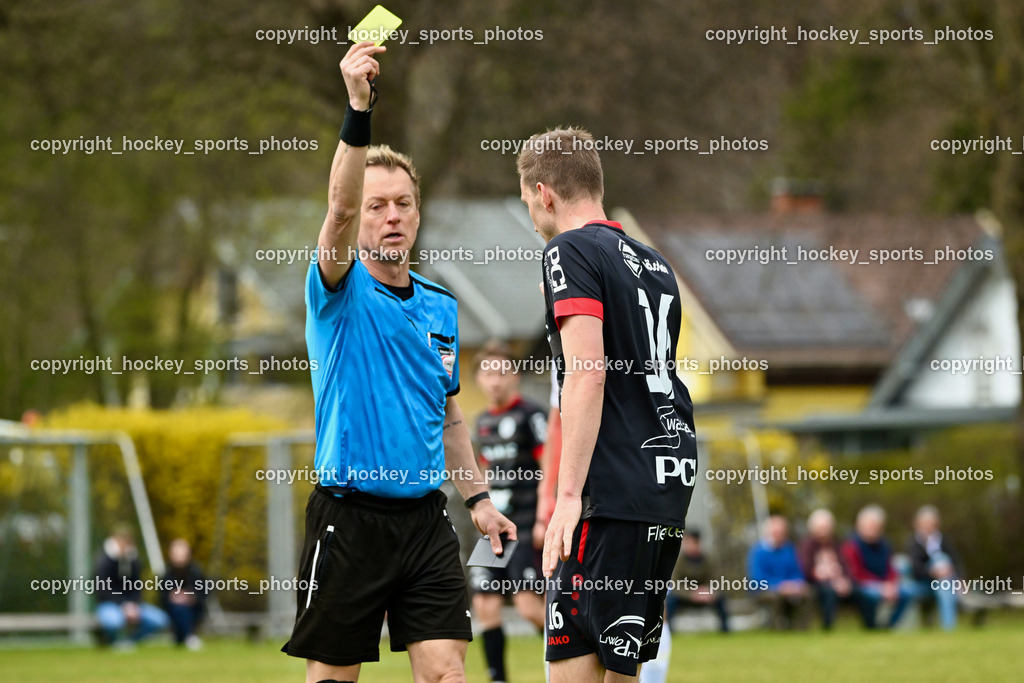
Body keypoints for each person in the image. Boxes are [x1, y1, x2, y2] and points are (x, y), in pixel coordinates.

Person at [280, 41, 515, 683]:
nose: (390, 217)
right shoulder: (338, 290)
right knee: (334, 679)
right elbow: (338, 210)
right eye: (378, 206)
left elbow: (447, 416)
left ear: (418, 211)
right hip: (349, 516)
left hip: (425, 519)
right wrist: (360, 108)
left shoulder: (441, 306)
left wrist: (479, 501)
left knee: (447, 673)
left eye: (402, 204)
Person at [518, 127, 698, 682]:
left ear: (544, 193)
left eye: (527, 198)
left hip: (611, 490)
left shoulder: (567, 250)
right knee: (622, 669)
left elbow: (588, 374)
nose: (530, 209)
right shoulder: (654, 262)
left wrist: (567, 496)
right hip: (666, 477)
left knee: (572, 668)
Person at [470, 340, 547, 683]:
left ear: (515, 377)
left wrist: (548, 516)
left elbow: (552, 466)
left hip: (528, 526)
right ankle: (497, 678)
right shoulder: (482, 421)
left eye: (502, 373)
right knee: (484, 605)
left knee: (530, 608)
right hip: (494, 530)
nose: (495, 380)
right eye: (488, 374)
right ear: (478, 380)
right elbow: (486, 472)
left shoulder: (532, 415)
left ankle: (574, 664)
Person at [93, 526, 169, 648]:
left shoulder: (133, 561)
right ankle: (112, 642)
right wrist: (124, 605)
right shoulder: (103, 561)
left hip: (132, 605)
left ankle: (130, 641)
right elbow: (103, 591)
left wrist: (133, 605)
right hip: (109, 604)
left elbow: (137, 588)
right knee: (114, 622)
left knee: (160, 620)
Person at [841, 505, 914, 629]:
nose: (873, 530)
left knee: (907, 592)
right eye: (870, 526)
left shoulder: (885, 545)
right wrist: (882, 587)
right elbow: (856, 574)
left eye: (876, 527)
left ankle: (888, 626)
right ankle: (871, 626)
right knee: (870, 595)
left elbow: (891, 569)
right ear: (860, 526)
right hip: (863, 585)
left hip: (884, 585)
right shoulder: (851, 546)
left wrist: (891, 585)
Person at [747, 516, 811, 630]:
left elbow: (797, 572)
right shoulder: (758, 551)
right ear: (768, 533)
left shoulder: (789, 549)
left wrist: (796, 584)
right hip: (765, 590)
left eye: (781, 532)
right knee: (776, 596)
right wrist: (780, 585)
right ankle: (778, 628)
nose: (778, 535)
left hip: (789, 588)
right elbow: (757, 578)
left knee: (807, 593)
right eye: (775, 532)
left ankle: (801, 628)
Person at [905, 505, 962, 630]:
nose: (928, 527)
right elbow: (915, 567)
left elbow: (956, 562)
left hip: (944, 582)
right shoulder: (913, 542)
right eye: (924, 523)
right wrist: (933, 572)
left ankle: (948, 627)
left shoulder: (943, 540)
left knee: (944, 581)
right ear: (917, 524)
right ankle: (949, 627)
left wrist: (960, 580)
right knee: (940, 560)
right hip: (922, 582)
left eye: (931, 523)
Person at [797, 509, 852, 630]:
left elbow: (846, 566)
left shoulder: (837, 545)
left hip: (838, 581)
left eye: (826, 528)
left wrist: (845, 581)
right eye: (820, 528)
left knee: (859, 591)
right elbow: (805, 569)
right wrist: (818, 574)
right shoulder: (807, 546)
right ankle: (827, 626)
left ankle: (871, 626)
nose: (823, 532)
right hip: (816, 584)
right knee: (828, 591)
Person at [667, 530, 729, 633]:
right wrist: (691, 594)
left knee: (721, 599)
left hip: (705, 595)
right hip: (685, 596)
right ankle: (669, 631)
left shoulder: (708, 559)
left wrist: (710, 592)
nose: (690, 546)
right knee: (670, 601)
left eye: (693, 542)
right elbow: (675, 584)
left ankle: (725, 630)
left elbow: (716, 580)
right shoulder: (679, 561)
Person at [159, 538, 208, 650]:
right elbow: (162, 595)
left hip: (194, 609)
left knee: (184, 609)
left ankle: (187, 636)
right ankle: (186, 637)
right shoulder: (167, 573)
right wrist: (173, 596)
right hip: (173, 609)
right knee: (179, 609)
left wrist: (190, 596)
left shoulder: (196, 571)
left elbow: (203, 593)